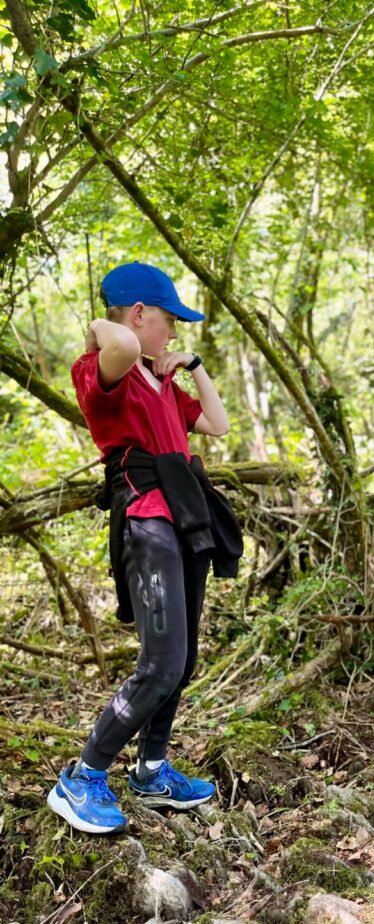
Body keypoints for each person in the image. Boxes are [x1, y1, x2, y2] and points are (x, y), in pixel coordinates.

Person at [48, 261, 241, 835]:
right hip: (146, 521)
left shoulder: (164, 386)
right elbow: (124, 345)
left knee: (183, 661)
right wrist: (96, 326)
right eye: (168, 319)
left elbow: (219, 423)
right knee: (160, 664)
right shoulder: (100, 371)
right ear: (137, 314)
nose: (174, 331)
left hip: (186, 522)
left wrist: (192, 366)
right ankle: (82, 777)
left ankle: (151, 771)